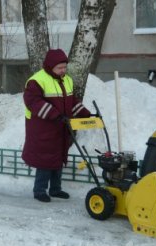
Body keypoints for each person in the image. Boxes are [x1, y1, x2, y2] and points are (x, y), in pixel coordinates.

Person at [22, 49, 91, 203]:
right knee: (45, 160)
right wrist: (56, 115)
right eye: (59, 68)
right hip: (43, 128)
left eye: (64, 67)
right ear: (50, 66)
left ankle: (55, 189)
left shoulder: (67, 80)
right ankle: (39, 190)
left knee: (58, 159)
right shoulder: (36, 81)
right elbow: (33, 102)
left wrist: (86, 114)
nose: (63, 71)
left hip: (60, 127)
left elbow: (71, 101)